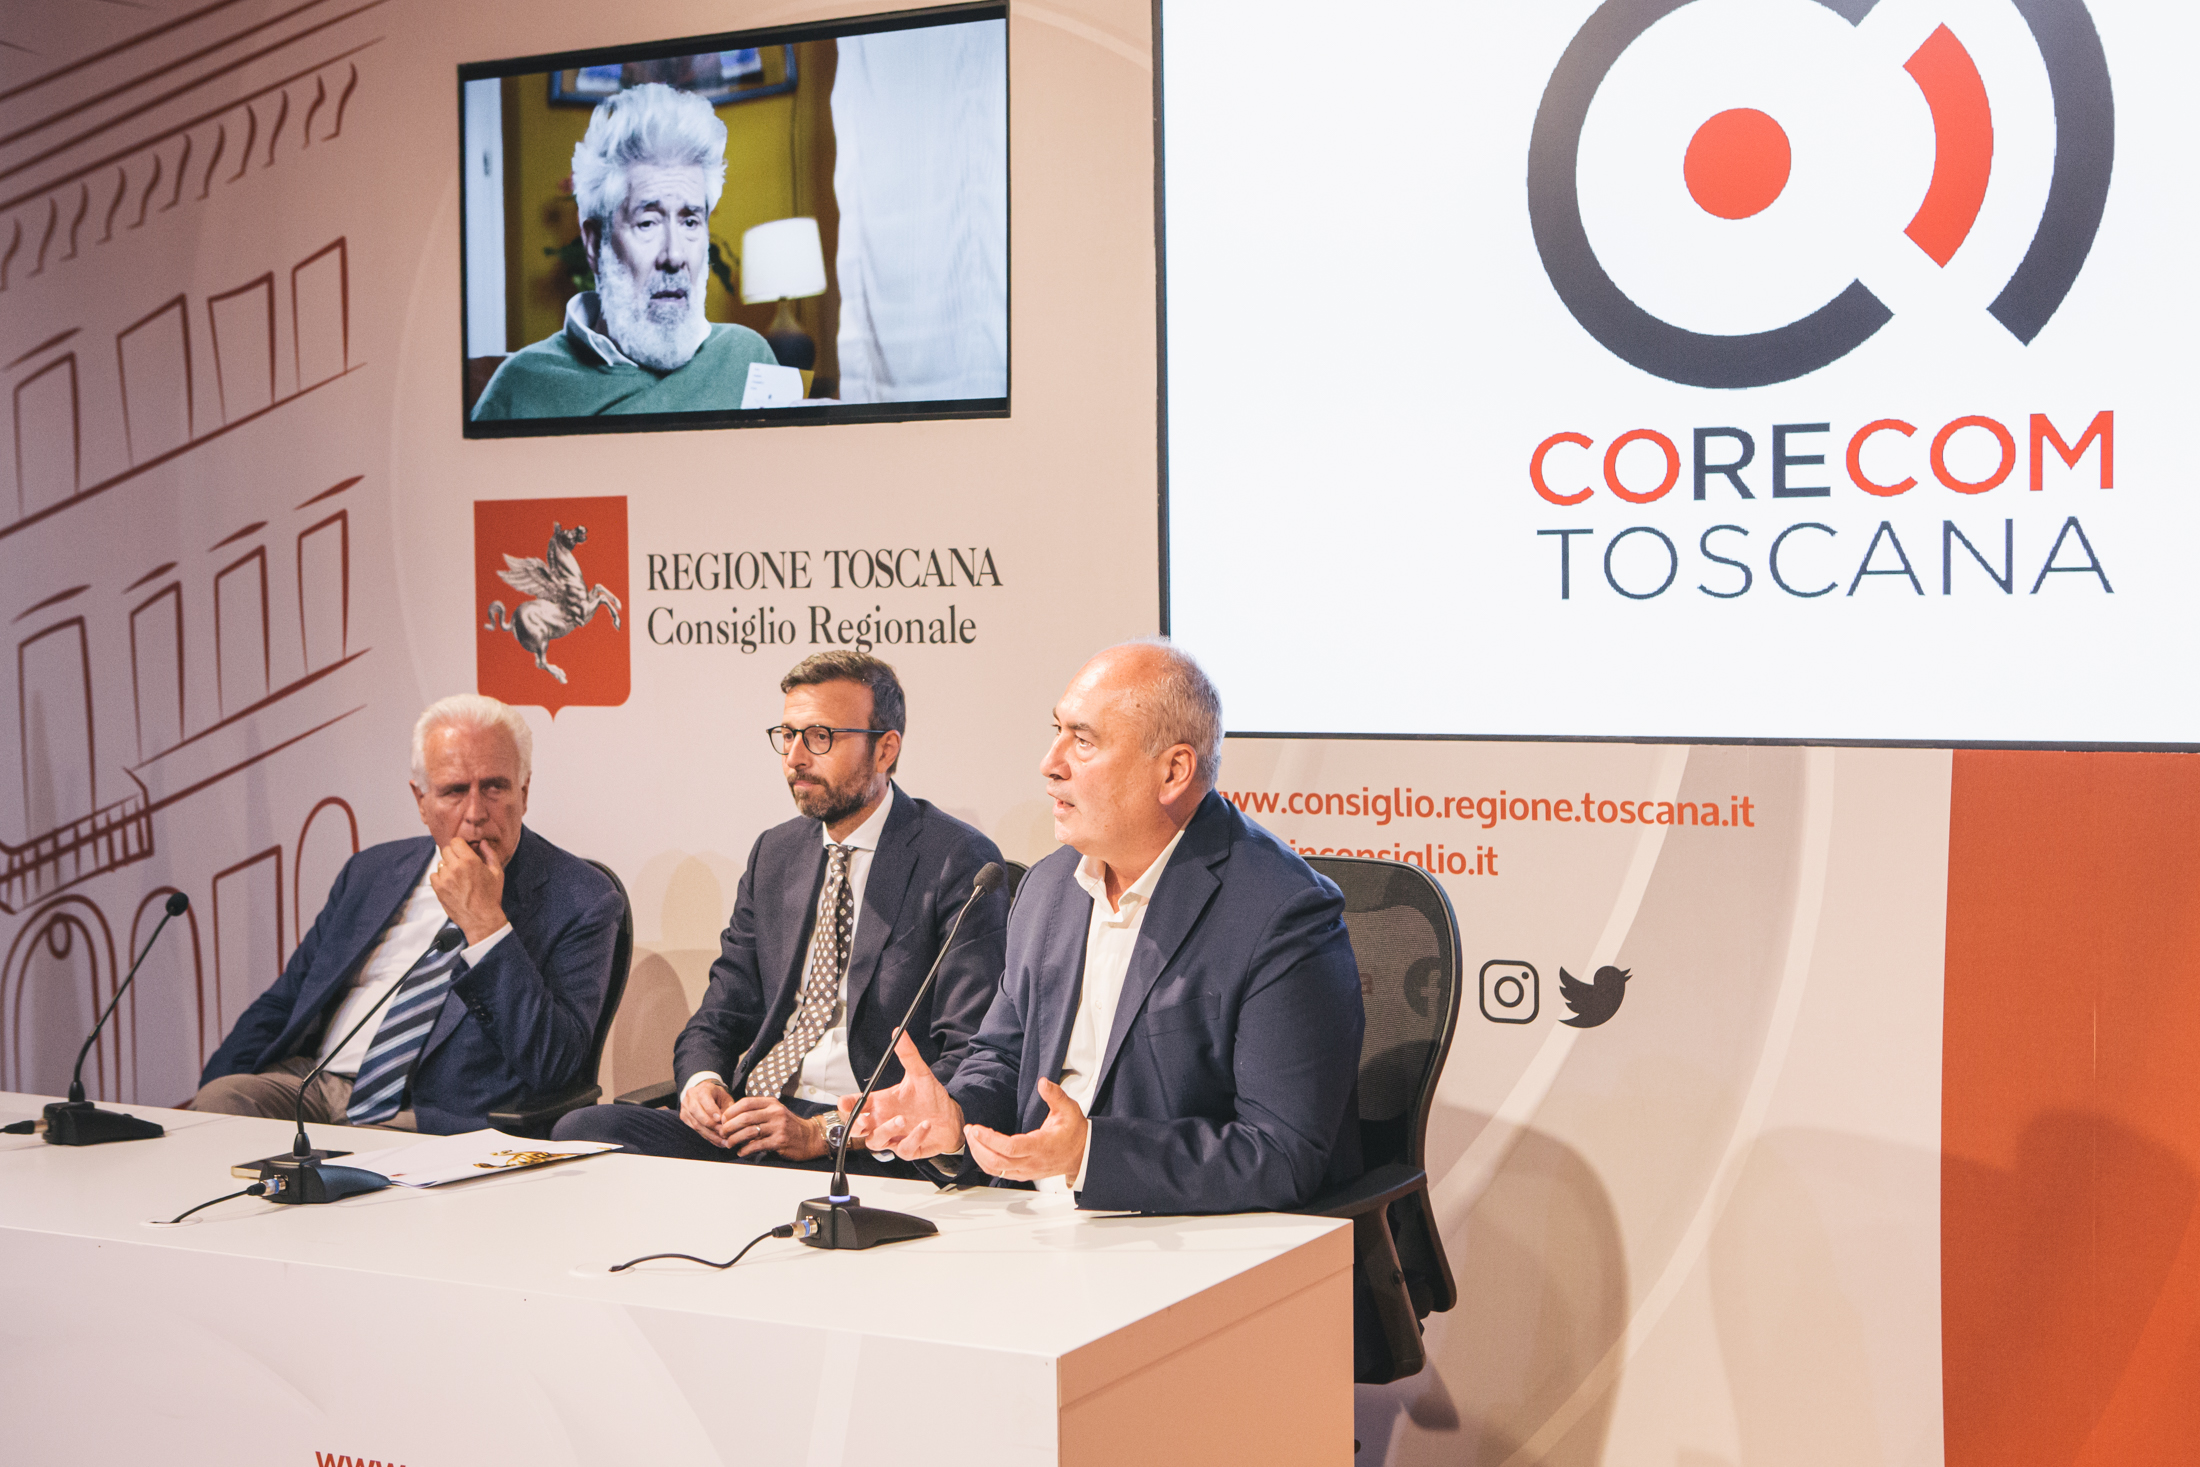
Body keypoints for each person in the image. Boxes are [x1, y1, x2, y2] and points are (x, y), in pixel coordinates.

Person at [852, 640, 1364, 1213]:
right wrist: (954, 1118)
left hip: (1179, 1236)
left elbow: (1282, 1152)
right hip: (1024, 1222)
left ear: (1173, 771)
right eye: (1057, 730)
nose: (1050, 763)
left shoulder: (1281, 911)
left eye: (1084, 741)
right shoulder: (1047, 886)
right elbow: (1003, 1058)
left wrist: (1089, 1156)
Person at [553, 652, 1006, 1172]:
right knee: (581, 1132)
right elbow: (720, 1013)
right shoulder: (776, 852)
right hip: (758, 1117)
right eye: (787, 735)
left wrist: (824, 1132)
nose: (795, 757)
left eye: (820, 737)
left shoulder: (955, 860)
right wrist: (703, 1084)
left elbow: (969, 1054)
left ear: (885, 749)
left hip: (867, 1138)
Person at [191, 696, 623, 1134]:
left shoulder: (581, 898)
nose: (475, 813)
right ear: (421, 800)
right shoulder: (372, 872)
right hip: (315, 1087)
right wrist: (197, 1111)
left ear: (523, 792)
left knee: (366, 1156)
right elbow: (285, 1001)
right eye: (454, 791)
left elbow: (555, 1065)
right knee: (222, 1102)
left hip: (433, 1114)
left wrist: (485, 925)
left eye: (495, 787)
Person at [470, 82, 777, 421]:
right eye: (647, 223)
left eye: (690, 222)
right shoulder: (521, 389)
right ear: (593, 243)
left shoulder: (747, 359)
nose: (674, 256)